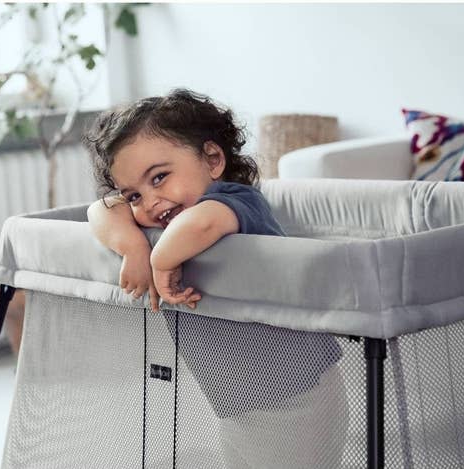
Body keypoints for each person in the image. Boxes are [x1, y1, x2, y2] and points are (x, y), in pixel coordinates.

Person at [84, 88, 348, 468]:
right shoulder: (161, 224)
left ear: (212, 159)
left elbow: (203, 222)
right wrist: (133, 248)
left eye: (159, 178)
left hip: (301, 396)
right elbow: (101, 209)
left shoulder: (239, 202)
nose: (150, 201)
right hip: (236, 403)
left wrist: (158, 260)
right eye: (135, 196)